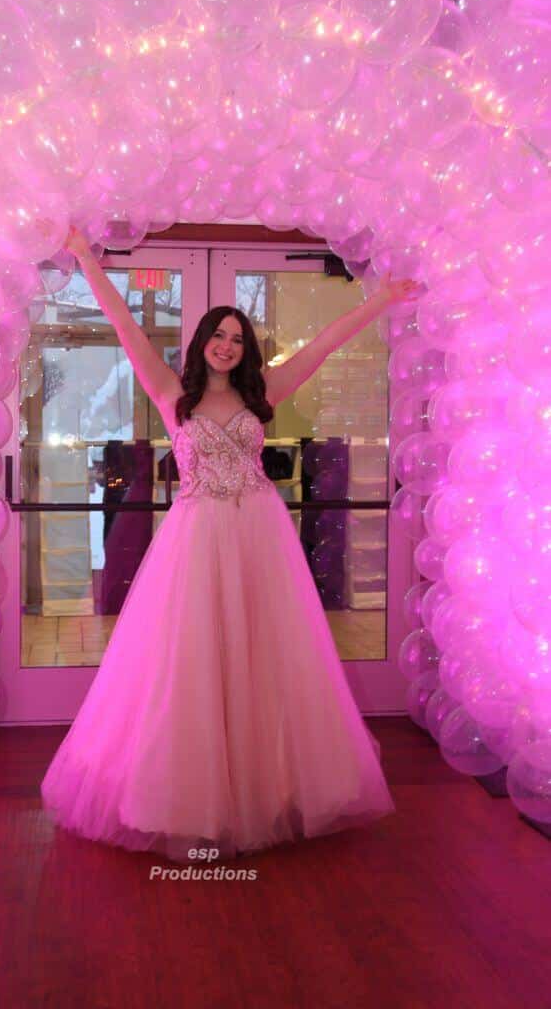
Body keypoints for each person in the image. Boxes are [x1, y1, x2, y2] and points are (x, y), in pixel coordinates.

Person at [41, 224, 422, 862]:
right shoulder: (171, 394)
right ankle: (189, 795)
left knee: (264, 654)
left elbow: (325, 345)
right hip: (195, 539)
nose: (226, 345)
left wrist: (381, 302)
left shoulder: (263, 393)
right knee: (189, 661)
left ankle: (267, 787)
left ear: (246, 350)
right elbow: (125, 328)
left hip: (258, 536)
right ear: (202, 342)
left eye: (237, 338)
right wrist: (85, 259)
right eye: (218, 335)